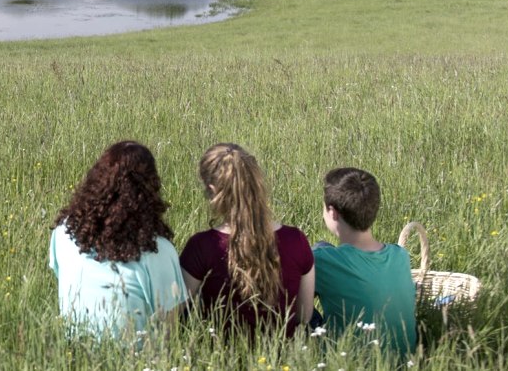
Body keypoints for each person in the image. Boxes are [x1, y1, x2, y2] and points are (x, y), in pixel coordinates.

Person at [49, 141, 189, 339]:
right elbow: (169, 330)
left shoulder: (63, 232)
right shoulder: (158, 252)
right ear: (149, 191)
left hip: (74, 353)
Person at [179, 143, 314, 336]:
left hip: (220, 356)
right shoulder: (296, 240)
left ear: (213, 189)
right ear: (256, 182)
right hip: (281, 358)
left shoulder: (202, 246)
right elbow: (304, 315)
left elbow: (174, 310)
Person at [312, 167, 417, 356]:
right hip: (403, 362)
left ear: (332, 212)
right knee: (322, 246)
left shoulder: (322, 261)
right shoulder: (400, 255)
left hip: (349, 361)